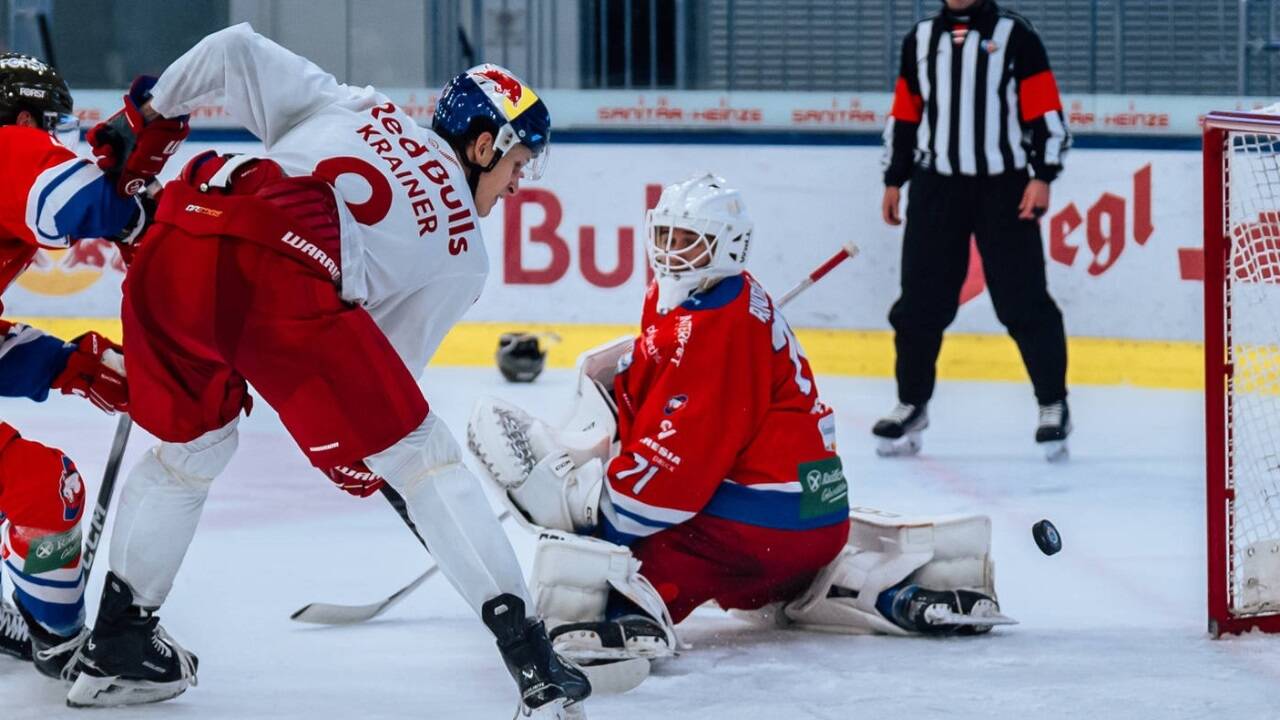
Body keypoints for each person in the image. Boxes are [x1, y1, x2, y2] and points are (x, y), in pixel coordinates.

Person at [63, 25, 589, 717]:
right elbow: (383, 377)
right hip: (282, 267)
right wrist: (368, 461)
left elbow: (235, 48)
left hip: (177, 233)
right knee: (424, 459)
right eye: (521, 159)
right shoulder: (467, 254)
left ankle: (118, 646)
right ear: (484, 144)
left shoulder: (357, 106)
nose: (522, 180)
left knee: (191, 449)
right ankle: (535, 663)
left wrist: (148, 115)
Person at [468, 174, 1009, 667]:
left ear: (726, 246)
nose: (670, 252)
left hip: (757, 529)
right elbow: (673, 388)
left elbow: (675, 482)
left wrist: (592, 514)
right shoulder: (712, 297)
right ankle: (873, 588)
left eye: (688, 241)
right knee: (779, 568)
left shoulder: (717, 327)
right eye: (666, 237)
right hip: (816, 517)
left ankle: (622, 613)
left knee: (620, 558)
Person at [0, 52, 183, 679]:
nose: (58, 145)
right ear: (23, 118)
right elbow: (73, 203)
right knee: (45, 491)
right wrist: (137, 209)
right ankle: (60, 637)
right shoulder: (3, 146)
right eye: (51, 128)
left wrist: (71, 366)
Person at [876, 0, 1073, 461]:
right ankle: (912, 403)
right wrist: (893, 178)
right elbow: (905, 114)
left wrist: (1042, 175)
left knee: (1023, 300)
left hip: (1003, 187)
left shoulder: (1016, 35)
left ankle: (1052, 403)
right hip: (934, 187)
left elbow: (1045, 109)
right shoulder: (920, 39)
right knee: (920, 304)